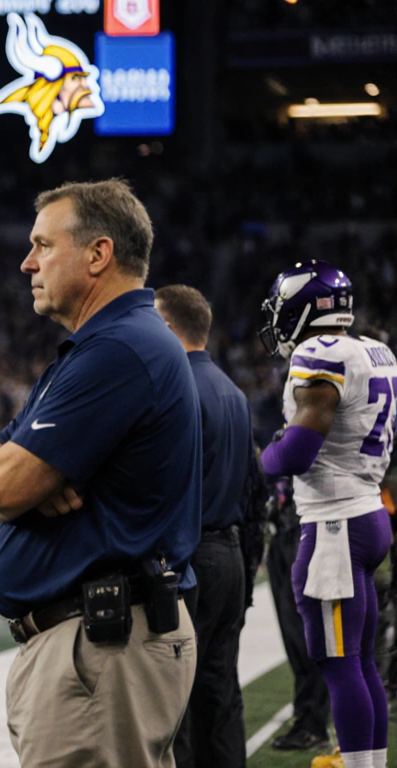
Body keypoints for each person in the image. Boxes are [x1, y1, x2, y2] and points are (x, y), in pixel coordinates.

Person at [0, 179, 199, 768]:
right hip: (102, 645)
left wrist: (7, 473)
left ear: (98, 254)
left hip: (103, 648)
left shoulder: (118, 350)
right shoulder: (108, 345)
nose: (27, 262)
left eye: (43, 244)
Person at [259, 260, 396, 768]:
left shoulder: (320, 352)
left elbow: (295, 454)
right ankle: (368, 761)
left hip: (336, 523)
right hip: (367, 513)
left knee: (338, 663)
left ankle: (360, 765)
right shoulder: (373, 350)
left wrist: (263, 458)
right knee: (358, 662)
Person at [156, 285, 251, 768]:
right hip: (231, 555)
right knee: (222, 690)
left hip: (193, 557)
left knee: (180, 699)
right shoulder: (234, 392)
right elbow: (249, 491)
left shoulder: (180, 390)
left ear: (170, 328)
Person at [265, 475, 332, 751]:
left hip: (307, 528)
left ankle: (313, 724)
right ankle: (307, 717)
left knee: (305, 637)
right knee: (293, 638)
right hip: (283, 526)